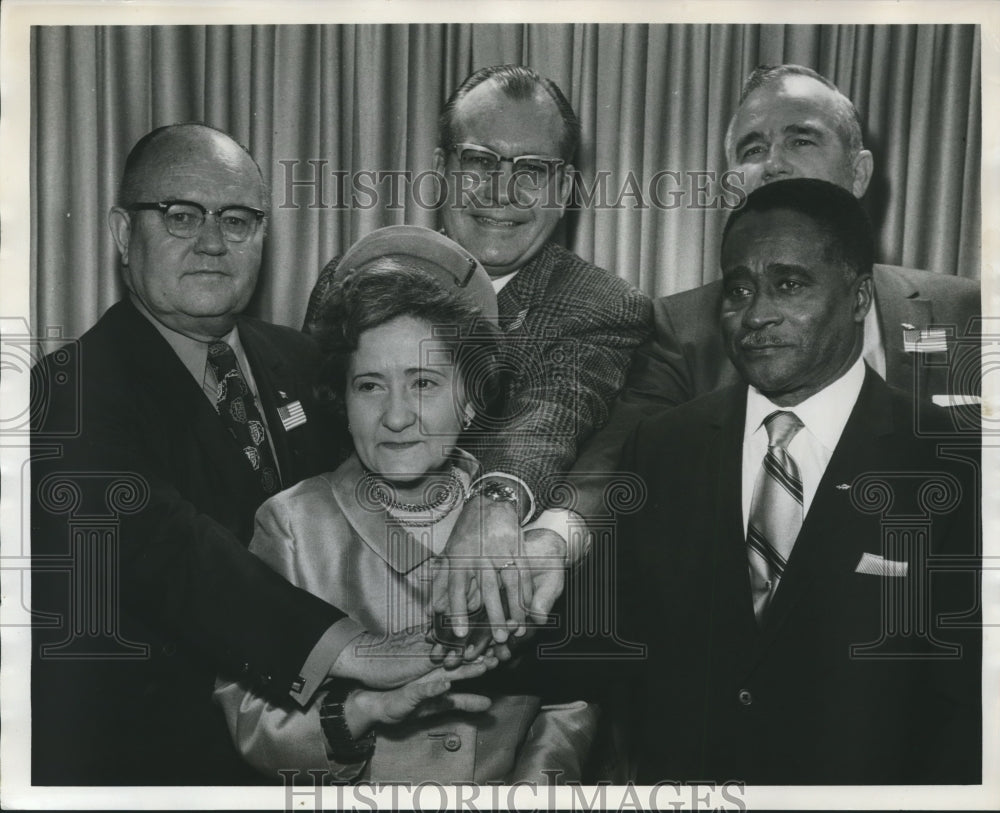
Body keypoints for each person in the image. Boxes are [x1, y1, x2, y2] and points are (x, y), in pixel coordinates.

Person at [30, 124, 442, 786]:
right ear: (120, 233)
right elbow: (173, 552)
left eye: (239, 220)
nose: (214, 243)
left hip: (319, 749)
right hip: (154, 770)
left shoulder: (305, 362)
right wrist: (349, 646)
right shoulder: (67, 392)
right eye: (181, 215)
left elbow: (379, 503)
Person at [615, 178, 980, 784]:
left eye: (789, 284)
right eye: (739, 289)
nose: (756, 314)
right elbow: (614, 652)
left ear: (860, 296)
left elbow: (969, 710)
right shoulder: (661, 448)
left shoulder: (953, 461)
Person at [215, 226, 597, 783]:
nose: (396, 417)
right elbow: (250, 716)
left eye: (423, 384)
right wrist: (358, 714)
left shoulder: (523, 524)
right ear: (341, 401)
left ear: (469, 399)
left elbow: (571, 702)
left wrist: (533, 789)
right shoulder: (291, 526)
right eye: (369, 386)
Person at [303, 65, 651, 647]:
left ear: (564, 191)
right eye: (479, 161)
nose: (501, 192)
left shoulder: (598, 302)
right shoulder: (356, 278)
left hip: (493, 642)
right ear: (442, 172)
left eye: (532, 171)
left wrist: (495, 502)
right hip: (333, 609)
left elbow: (549, 414)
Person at [571, 64, 980, 510]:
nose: (773, 164)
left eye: (801, 140)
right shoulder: (679, 328)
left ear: (859, 174)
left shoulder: (962, 308)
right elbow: (616, 458)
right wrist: (558, 535)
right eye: (753, 149)